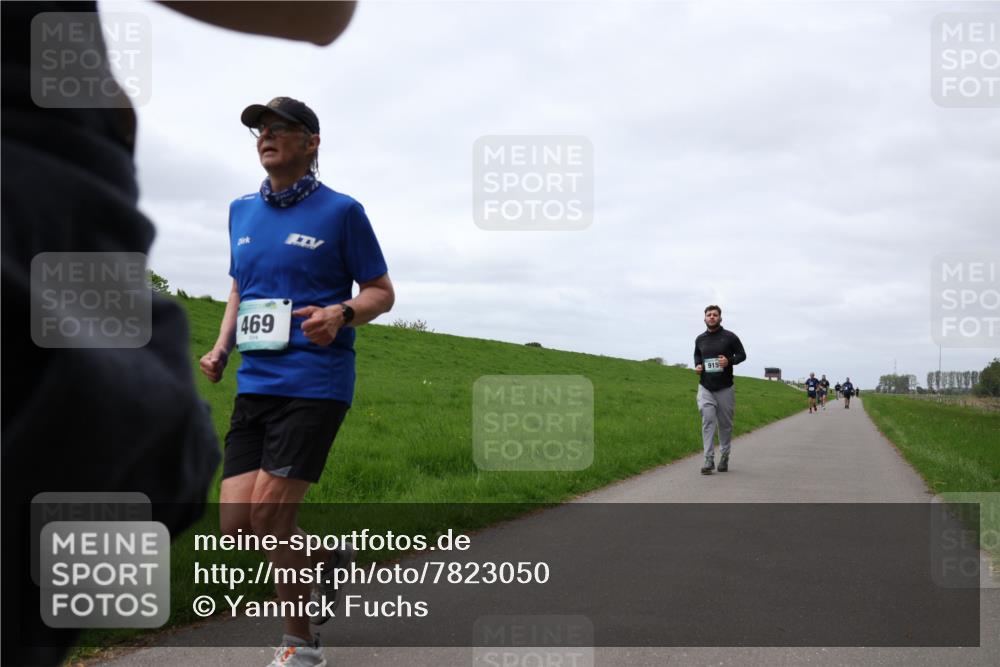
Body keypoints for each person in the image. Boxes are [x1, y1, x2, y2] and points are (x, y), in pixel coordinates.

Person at [200, 96, 394, 667]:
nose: (267, 136)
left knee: (270, 517)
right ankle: (329, 560)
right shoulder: (240, 210)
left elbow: (381, 291)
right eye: (261, 129)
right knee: (237, 526)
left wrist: (342, 313)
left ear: (312, 143)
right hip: (256, 382)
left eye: (282, 129)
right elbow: (241, 289)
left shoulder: (342, 212)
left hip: (315, 383)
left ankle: (300, 642)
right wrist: (220, 347)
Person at [694, 305, 747, 474]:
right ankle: (708, 459)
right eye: (708, 315)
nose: (711, 317)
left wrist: (729, 361)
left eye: (714, 315)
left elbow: (742, 355)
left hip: (725, 388)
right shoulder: (700, 339)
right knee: (708, 420)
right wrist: (698, 365)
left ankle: (724, 456)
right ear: (704, 319)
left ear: (720, 318)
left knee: (725, 424)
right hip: (705, 387)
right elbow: (697, 355)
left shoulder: (729, 337)